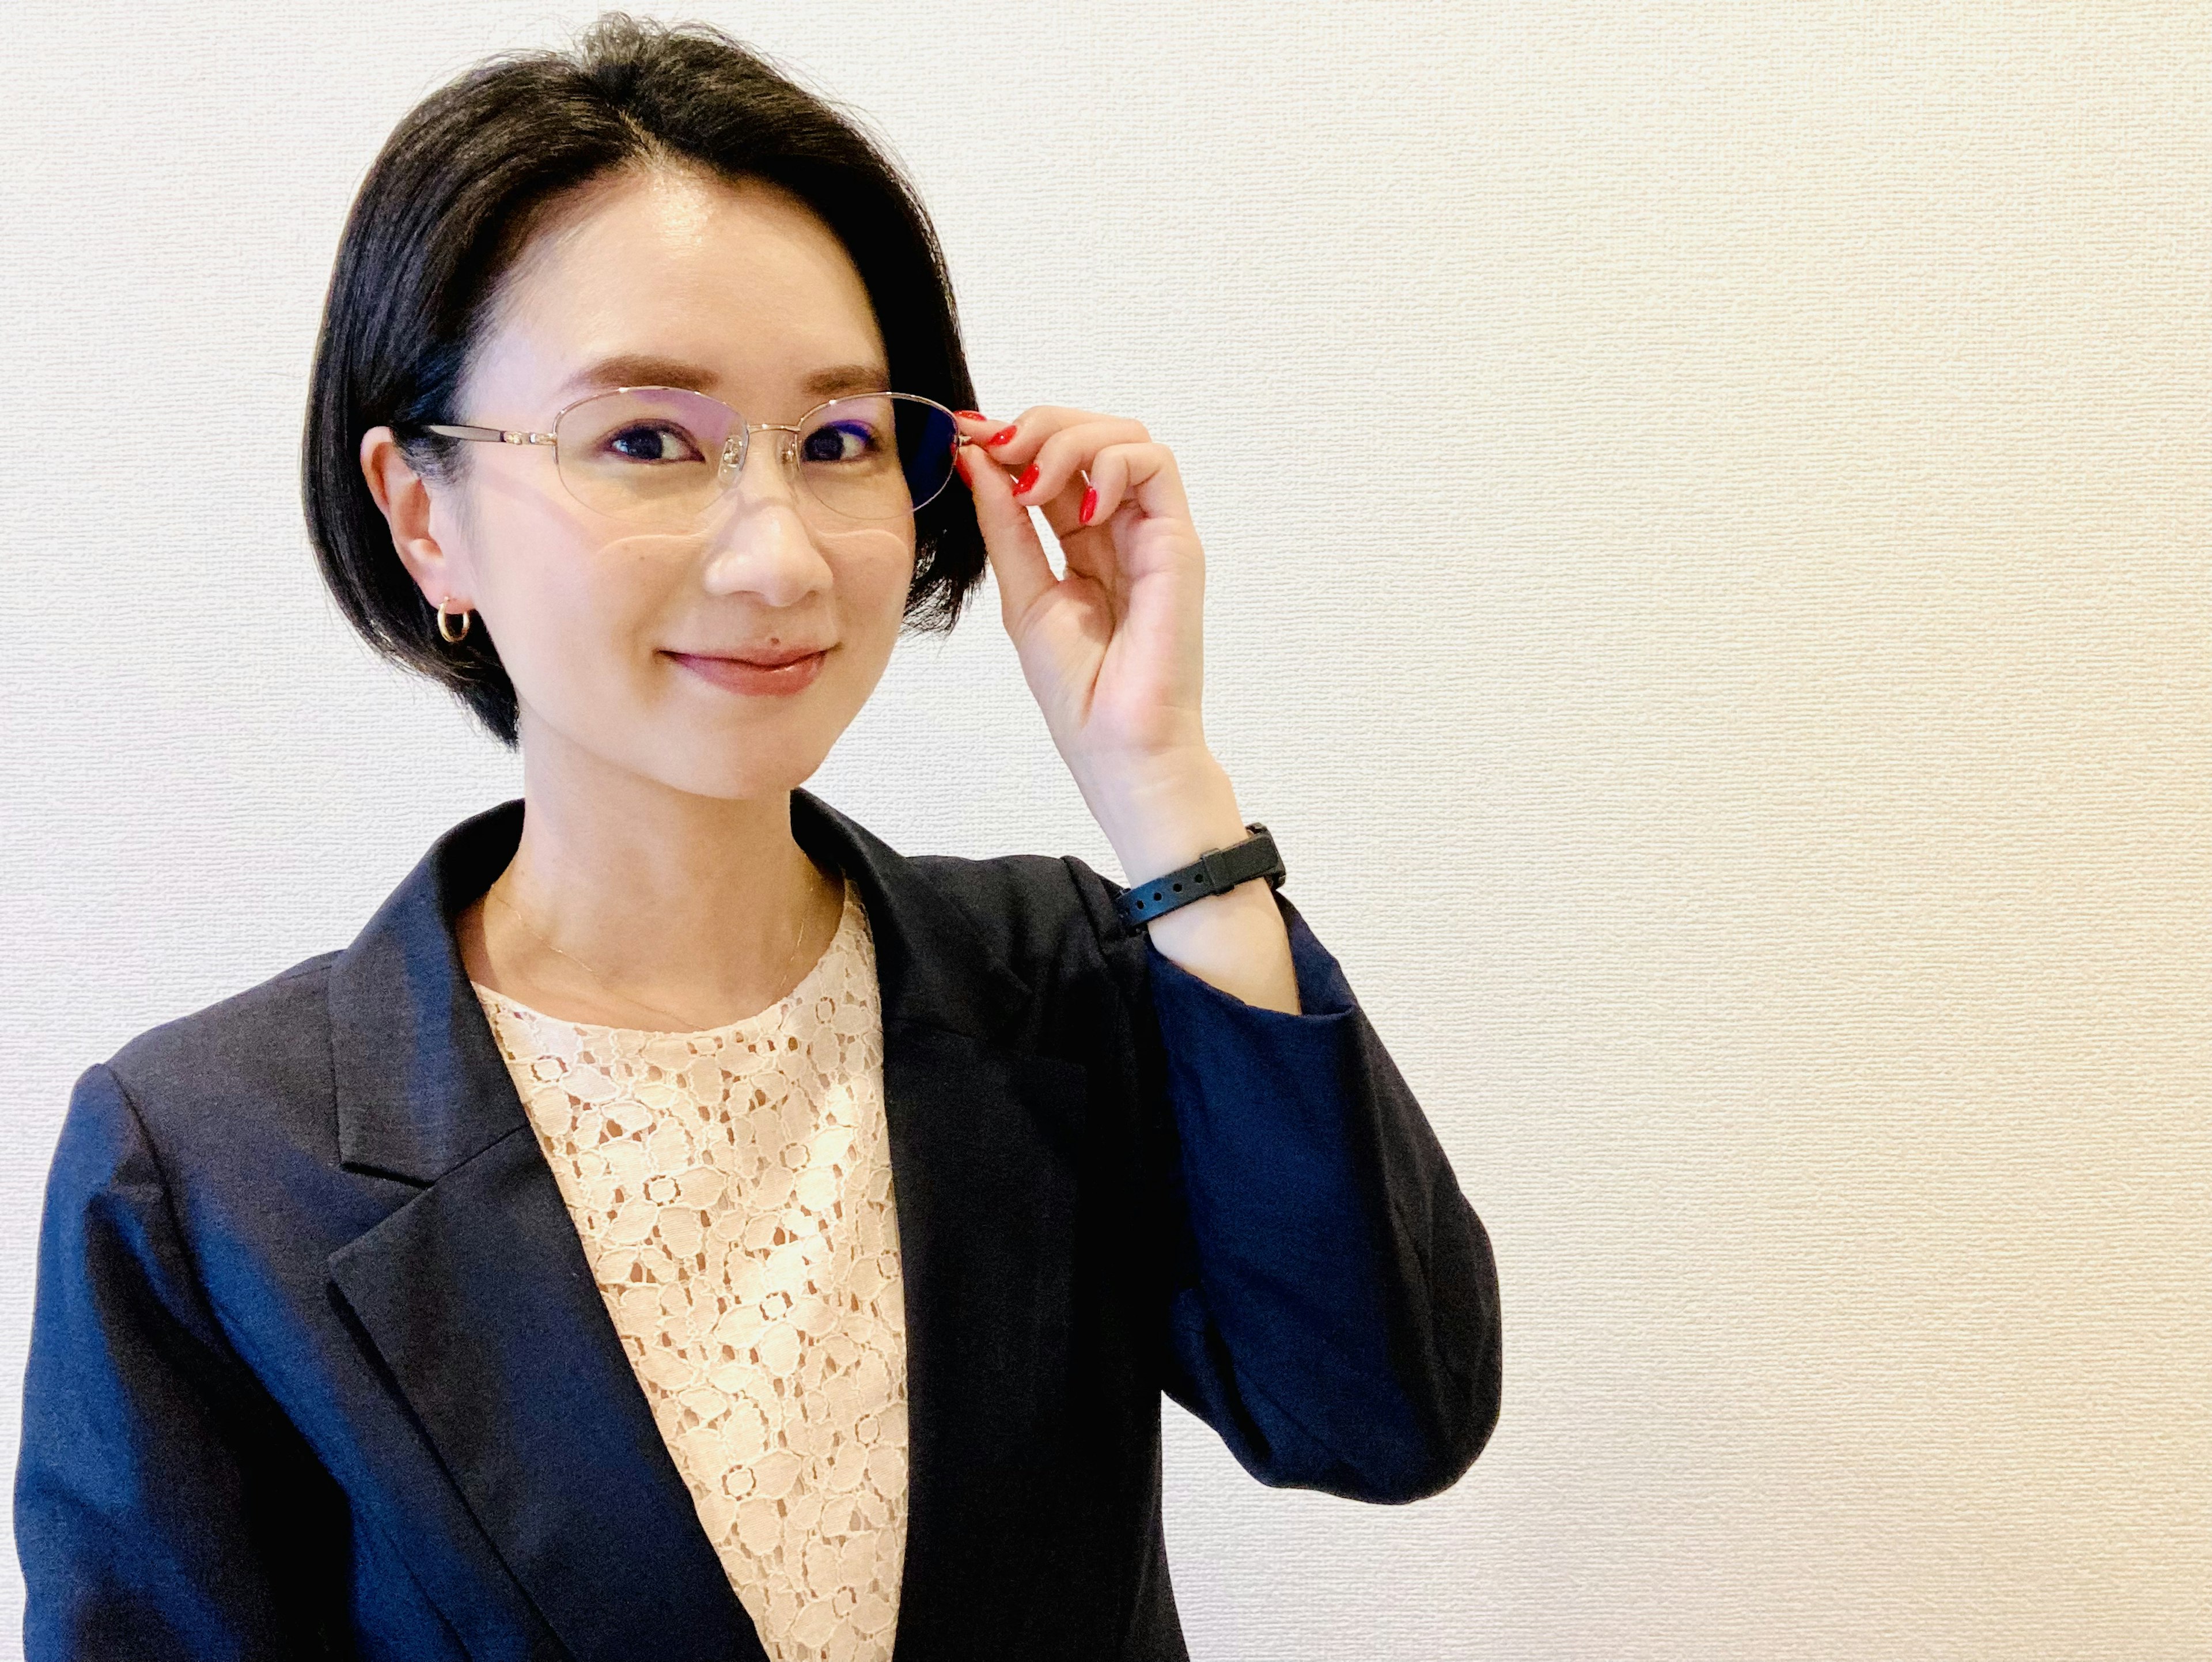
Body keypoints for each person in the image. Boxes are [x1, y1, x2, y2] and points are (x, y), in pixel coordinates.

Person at [14, 15, 1501, 1661]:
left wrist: (1161, 782)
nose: (780, 556)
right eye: (648, 439)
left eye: (840, 441)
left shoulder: (1063, 983)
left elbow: (1384, 1413)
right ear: (424, 509)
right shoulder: (213, 1163)